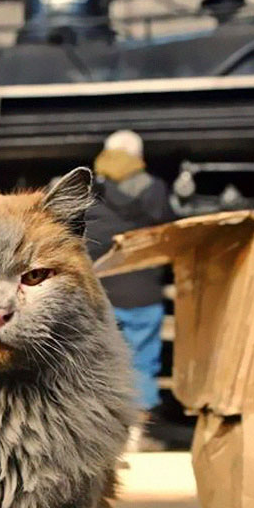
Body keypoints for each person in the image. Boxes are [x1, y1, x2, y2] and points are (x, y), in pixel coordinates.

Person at [85, 130, 174, 451]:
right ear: (139, 158)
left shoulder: (90, 191)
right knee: (142, 363)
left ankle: (100, 435)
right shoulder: (155, 190)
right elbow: (169, 230)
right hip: (142, 292)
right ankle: (136, 435)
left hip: (100, 294)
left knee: (98, 363)